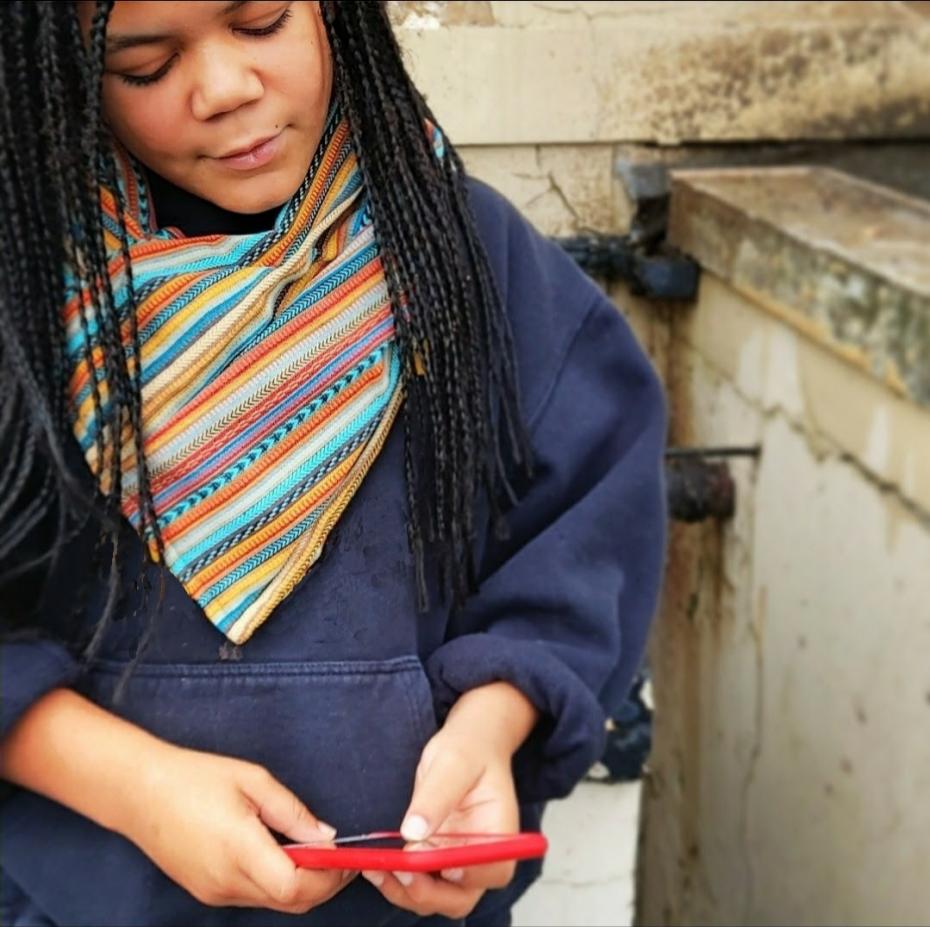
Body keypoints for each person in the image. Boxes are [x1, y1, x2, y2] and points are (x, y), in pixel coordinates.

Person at [0, 2, 667, 925]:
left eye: (263, 20)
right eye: (146, 66)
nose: (226, 88)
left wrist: (496, 715)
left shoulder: (460, 257)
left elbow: (586, 515)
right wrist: (133, 786)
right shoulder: (28, 298)